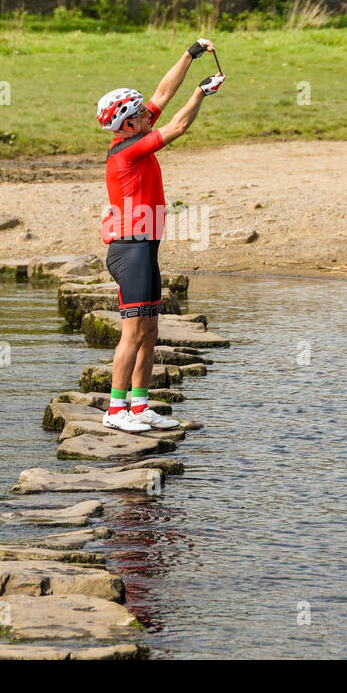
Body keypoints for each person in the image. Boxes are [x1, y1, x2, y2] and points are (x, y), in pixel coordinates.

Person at [93, 38, 225, 433]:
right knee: (132, 332)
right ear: (129, 123)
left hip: (145, 248)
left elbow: (163, 93)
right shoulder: (127, 151)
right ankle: (115, 412)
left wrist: (191, 52)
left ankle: (140, 406)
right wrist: (202, 92)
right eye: (143, 115)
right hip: (128, 252)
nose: (150, 115)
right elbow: (179, 125)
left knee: (151, 330)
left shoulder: (135, 130)